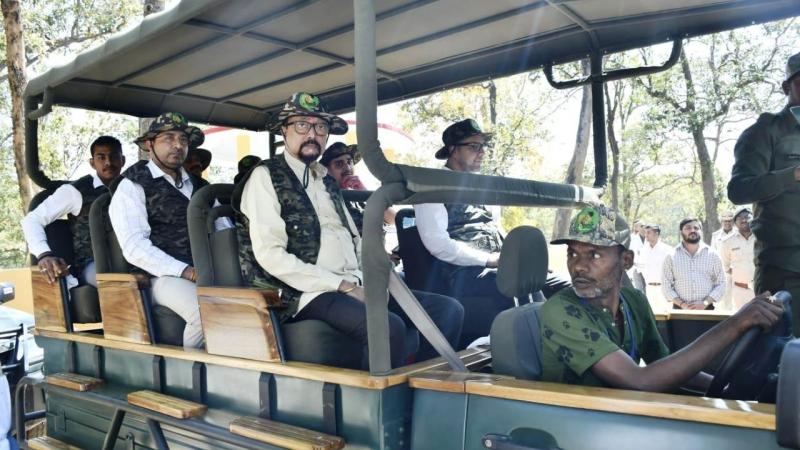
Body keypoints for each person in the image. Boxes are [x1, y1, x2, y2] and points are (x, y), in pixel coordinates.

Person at [234, 92, 463, 368]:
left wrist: (372, 276)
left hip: (353, 281)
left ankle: (426, 384)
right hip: (306, 292)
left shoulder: (327, 181)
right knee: (387, 327)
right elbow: (270, 255)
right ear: (284, 130)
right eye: (302, 125)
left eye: (321, 127)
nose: (312, 134)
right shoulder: (265, 176)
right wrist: (341, 286)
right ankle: (383, 396)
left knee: (448, 311)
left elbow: (353, 238)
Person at [540, 205, 783, 391]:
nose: (578, 266)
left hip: (618, 414)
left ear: (626, 260)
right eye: (572, 253)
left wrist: (724, 388)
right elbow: (640, 380)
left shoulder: (633, 301)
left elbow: (665, 365)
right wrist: (736, 323)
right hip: (576, 422)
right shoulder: (559, 310)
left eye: (594, 255)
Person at [414, 119, 570, 305]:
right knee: (523, 289)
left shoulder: (483, 187)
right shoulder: (432, 186)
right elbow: (438, 244)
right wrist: (489, 260)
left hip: (500, 265)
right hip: (463, 272)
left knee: (568, 289)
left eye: (483, 146)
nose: (482, 152)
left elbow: (496, 228)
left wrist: (521, 261)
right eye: (474, 146)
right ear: (452, 149)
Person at [109, 112, 208, 348]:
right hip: (160, 278)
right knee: (205, 313)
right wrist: (184, 271)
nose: (178, 145)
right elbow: (134, 246)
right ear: (149, 144)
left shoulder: (200, 186)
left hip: (206, 272)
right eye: (168, 138)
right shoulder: (133, 185)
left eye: (183, 139)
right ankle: (190, 369)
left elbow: (222, 228)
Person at [728, 51, 800, 334]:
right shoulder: (765, 132)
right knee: (787, 354)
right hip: (786, 272)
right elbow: (739, 189)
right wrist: (793, 175)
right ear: (786, 87)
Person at [21, 135, 125, 287]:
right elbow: (31, 220)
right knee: (119, 284)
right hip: (94, 265)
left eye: (114, 156)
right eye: (101, 157)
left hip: (134, 258)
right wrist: (44, 254)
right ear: (92, 163)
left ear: (123, 160)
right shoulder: (76, 191)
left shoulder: (134, 187)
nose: (108, 162)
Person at [319, 142, 396, 233]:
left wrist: (363, 191)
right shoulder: (324, 197)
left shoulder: (358, 197)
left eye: (349, 162)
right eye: (339, 164)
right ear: (327, 171)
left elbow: (394, 219)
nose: (347, 168)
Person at [662, 218, 726, 310]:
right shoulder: (670, 256)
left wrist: (704, 303)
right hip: (680, 310)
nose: (692, 230)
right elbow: (666, 285)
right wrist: (683, 305)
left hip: (707, 309)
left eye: (696, 228)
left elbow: (722, 283)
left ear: (701, 231)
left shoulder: (713, 255)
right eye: (688, 228)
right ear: (681, 232)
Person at [720, 207, 756, 311]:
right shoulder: (727, 242)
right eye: (739, 218)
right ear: (735, 223)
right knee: (742, 318)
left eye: (747, 217)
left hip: (761, 289)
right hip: (740, 291)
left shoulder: (761, 238)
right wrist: (741, 277)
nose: (744, 220)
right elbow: (726, 266)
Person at [638, 224, 672, 312]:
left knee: (666, 314)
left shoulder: (668, 250)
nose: (646, 235)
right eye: (645, 233)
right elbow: (640, 270)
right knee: (652, 315)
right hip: (649, 289)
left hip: (664, 289)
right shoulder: (643, 250)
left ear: (656, 234)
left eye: (648, 232)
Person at [711, 211, 735, 309]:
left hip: (736, 271)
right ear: (721, 221)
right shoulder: (716, 236)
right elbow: (713, 254)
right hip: (722, 271)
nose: (727, 223)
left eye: (729, 221)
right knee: (723, 301)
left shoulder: (738, 234)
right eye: (725, 221)